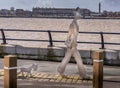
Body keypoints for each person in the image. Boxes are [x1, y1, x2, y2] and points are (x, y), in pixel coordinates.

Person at [57, 7, 89, 79]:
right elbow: (71, 35)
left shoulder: (74, 23)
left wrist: (71, 43)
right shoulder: (73, 24)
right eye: (79, 13)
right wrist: (71, 44)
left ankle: (60, 70)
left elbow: (69, 34)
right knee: (78, 59)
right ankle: (83, 75)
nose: (80, 15)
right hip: (72, 45)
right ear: (75, 14)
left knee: (67, 58)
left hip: (72, 44)